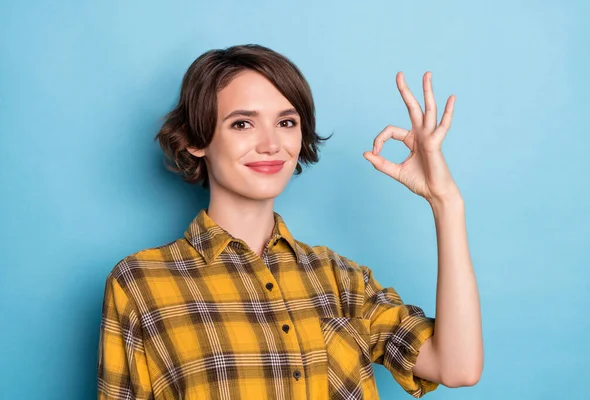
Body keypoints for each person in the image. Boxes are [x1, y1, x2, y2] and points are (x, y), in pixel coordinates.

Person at [97, 44, 483, 400]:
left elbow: (457, 368)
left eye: (286, 122)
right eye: (242, 124)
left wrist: (445, 202)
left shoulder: (342, 279)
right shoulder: (140, 284)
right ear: (197, 140)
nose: (270, 144)